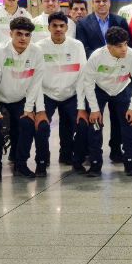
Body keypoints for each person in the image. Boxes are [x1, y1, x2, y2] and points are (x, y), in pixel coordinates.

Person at [0, 16, 45, 181]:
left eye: (27, 35)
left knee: (27, 124)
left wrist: (28, 108)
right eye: (19, 34)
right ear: (11, 34)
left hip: (20, 98)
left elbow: (36, 83)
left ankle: (20, 164)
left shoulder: (37, 52)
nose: (23, 38)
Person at [79, 27, 132, 176]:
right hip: (100, 89)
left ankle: (129, 162)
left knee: (130, 123)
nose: (124, 49)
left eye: (125, 44)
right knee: (95, 125)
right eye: (119, 46)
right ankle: (95, 164)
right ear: (109, 47)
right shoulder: (96, 56)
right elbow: (87, 83)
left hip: (123, 88)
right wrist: (94, 109)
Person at [73, 0, 131, 160]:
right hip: (97, 79)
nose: (101, 4)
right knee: (95, 117)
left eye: (104, 0)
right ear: (92, 4)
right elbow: (84, 49)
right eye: (97, 1)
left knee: (118, 117)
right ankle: (94, 153)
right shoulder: (83, 24)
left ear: (109, 2)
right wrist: (104, 59)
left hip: (118, 78)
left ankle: (116, 150)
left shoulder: (120, 21)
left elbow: (127, 47)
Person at [34, 12, 88, 175]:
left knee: (82, 124)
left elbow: (82, 76)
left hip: (71, 93)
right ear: (48, 27)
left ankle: (74, 159)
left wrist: (81, 107)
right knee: (41, 126)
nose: (58, 29)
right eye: (54, 26)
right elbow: (36, 80)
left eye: (61, 26)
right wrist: (40, 109)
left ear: (67, 27)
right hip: (46, 94)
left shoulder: (77, 46)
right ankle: (41, 162)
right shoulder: (39, 47)